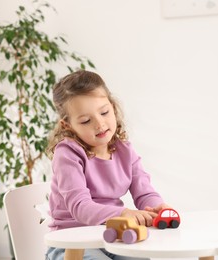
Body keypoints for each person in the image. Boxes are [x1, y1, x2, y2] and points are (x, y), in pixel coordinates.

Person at [46, 70, 169, 260]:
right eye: (86, 121)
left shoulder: (125, 151)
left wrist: (157, 208)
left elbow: (144, 192)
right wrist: (123, 212)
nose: (99, 123)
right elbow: (80, 207)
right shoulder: (68, 154)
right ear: (67, 126)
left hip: (112, 236)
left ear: (113, 107)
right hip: (71, 244)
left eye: (104, 112)